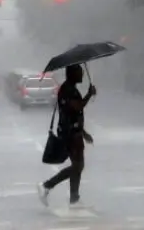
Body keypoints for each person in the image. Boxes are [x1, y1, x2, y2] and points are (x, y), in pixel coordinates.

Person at [37, 64, 96, 207]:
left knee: (78, 165)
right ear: (72, 74)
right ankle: (47, 185)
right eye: (79, 72)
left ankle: (74, 198)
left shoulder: (70, 88)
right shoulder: (66, 90)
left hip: (75, 132)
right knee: (77, 166)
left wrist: (84, 133)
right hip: (70, 134)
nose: (81, 75)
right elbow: (77, 106)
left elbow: (74, 115)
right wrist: (89, 94)